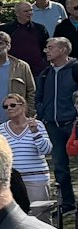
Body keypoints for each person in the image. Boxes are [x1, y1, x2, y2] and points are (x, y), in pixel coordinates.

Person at [35, 36, 78, 212]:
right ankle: (67, 203)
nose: (46, 50)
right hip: (52, 125)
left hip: (74, 124)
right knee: (60, 166)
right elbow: (38, 97)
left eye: (50, 47)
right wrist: (43, 113)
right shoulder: (45, 73)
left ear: (63, 50)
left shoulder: (75, 69)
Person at [0, 94, 56, 215]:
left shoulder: (37, 125)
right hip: (13, 182)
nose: (9, 108)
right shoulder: (0, 130)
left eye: (13, 105)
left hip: (36, 178)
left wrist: (35, 132)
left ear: (23, 107)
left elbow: (47, 150)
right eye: (5, 106)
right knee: (16, 218)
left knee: (41, 216)